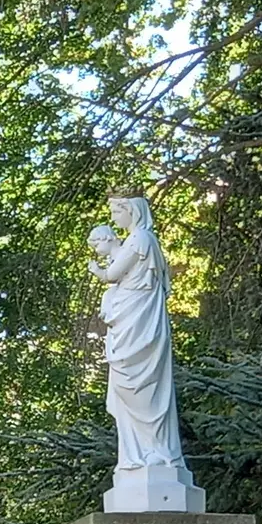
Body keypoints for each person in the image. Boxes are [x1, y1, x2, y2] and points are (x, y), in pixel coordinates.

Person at [86, 194, 186, 473]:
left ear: (132, 212)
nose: (113, 218)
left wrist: (97, 270)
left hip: (140, 320)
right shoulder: (133, 240)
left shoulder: (140, 239)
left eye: (117, 212)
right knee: (126, 383)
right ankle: (136, 454)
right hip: (128, 318)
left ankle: (158, 451)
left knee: (144, 384)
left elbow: (112, 274)